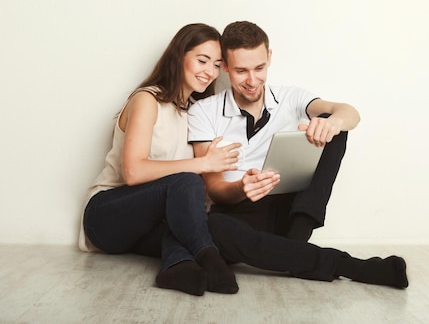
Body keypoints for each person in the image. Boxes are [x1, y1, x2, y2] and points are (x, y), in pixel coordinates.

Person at [78, 23, 242, 296]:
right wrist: (201, 164)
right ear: (179, 56)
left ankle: (176, 267)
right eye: (202, 60)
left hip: (147, 226)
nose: (209, 72)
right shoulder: (147, 100)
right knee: (186, 181)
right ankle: (210, 257)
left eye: (216, 65)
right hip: (106, 216)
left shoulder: (193, 114)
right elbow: (133, 172)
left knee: (185, 224)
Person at [188, 20, 360, 242]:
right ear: (225, 67)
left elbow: (350, 113)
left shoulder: (290, 97)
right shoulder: (203, 111)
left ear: (269, 58)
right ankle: (297, 252)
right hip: (239, 211)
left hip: (287, 210)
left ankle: (299, 234)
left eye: (259, 68)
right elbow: (214, 189)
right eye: (241, 71)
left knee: (332, 124)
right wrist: (241, 187)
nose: (252, 81)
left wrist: (333, 123)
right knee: (215, 226)